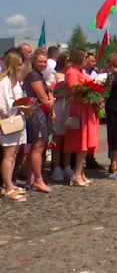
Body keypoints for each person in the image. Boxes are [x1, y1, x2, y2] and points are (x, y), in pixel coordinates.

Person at [63, 48, 99, 187]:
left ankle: (80, 172)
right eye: (85, 57)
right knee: (81, 143)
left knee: (86, 143)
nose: (86, 59)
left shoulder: (81, 72)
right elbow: (74, 92)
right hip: (79, 110)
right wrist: (90, 99)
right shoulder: (72, 72)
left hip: (87, 110)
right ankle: (76, 173)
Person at [23, 48, 55, 193]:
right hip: (37, 114)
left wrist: (51, 99)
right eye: (40, 61)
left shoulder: (39, 75)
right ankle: (38, 179)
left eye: (44, 62)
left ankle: (30, 177)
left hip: (42, 112)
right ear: (33, 61)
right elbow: (43, 97)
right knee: (37, 148)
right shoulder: (33, 75)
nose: (42, 64)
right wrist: (51, 100)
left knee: (37, 148)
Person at [0, 51, 28, 201]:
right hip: (9, 121)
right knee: (8, 156)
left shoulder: (16, 81)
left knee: (14, 155)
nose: (21, 67)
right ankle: (8, 187)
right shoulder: (4, 82)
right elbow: (3, 106)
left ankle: (9, 182)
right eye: (18, 64)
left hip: (18, 121)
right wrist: (19, 107)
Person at [50, 52, 73, 182]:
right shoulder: (54, 75)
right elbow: (49, 92)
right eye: (69, 62)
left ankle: (67, 165)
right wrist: (60, 94)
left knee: (68, 139)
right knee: (58, 140)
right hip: (58, 107)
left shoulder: (71, 75)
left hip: (69, 107)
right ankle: (56, 167)